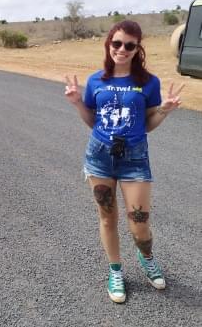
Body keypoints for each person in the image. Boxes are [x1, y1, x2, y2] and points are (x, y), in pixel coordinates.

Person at [64, 20, 184, 303]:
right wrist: (78, 103)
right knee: (107, 217)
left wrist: (164, 110)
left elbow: (148, 124)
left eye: (129, 45)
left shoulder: (149, 83)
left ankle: (147, 257)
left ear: (137, 48)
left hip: (135, 158)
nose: (122, 49)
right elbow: (93, 121)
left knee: (139, 223)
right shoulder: (96, 81)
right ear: (109, 44)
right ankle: (115, 270)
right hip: (99, 156)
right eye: (117, 43)